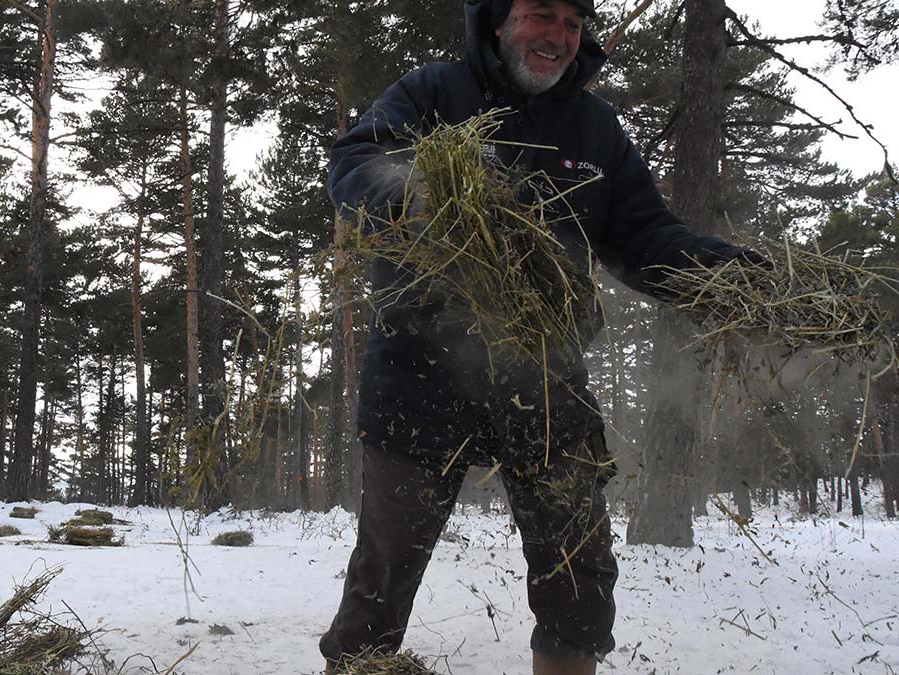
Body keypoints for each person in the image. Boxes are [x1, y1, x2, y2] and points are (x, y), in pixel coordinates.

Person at [321, 1, 763, 673]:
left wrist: (733, 277)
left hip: (546, 381)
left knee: (579, 576)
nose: (559, 36)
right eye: (542, 14)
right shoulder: (433, 93)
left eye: (573, 25)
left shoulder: (593, 128)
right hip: (418, 373)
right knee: (382, 574)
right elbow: (356, 161)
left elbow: (646, 237)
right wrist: (422, 192)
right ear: (500, 21)